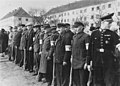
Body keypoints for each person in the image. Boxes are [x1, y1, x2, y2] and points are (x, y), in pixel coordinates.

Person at [87, 13, 120, 86]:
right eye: (108, 23)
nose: (109, 25)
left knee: (108, 81)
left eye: (110, 23)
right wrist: (88, 62)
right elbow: (90, 49)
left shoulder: (112, 34)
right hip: (96, 61)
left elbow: (118, 45)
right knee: (97, 81)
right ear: (102, 23)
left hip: (108, 62)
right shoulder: (94, 34)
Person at [71, 22, 89, 86]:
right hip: (75, 62)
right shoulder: (74, 37)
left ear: (81, 27)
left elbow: (88, 51)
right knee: (76, 81)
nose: (75, 29)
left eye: (77, 27)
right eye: (74, 27)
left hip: (82, 63)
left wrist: (87, 62)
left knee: (83, 82)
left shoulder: (86, 36)